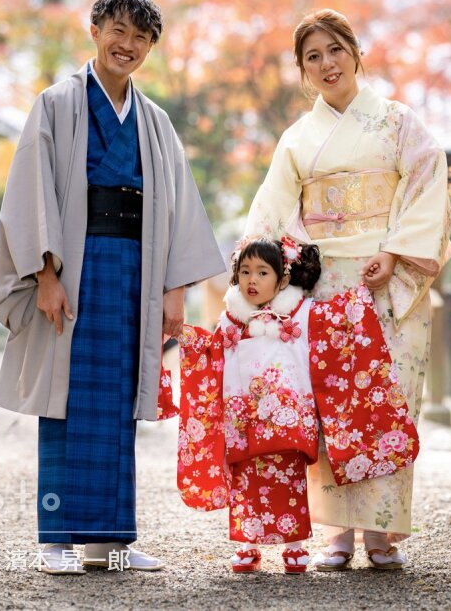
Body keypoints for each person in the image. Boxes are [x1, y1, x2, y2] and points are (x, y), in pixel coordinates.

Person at [0, 0, 226, 575]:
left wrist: (175, 289)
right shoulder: (57, 103)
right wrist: (45, 275)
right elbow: (32, 192)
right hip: (74, 261)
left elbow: (177, 209)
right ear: (95, 29)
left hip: (135, 271)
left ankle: (110, 542)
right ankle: (56, 541)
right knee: (66, 398)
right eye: (118, 30)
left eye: (141, 37)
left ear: (149, 47)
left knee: (117, 399)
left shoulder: (155, 121)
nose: (128, 45)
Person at [244, 9, 451, 570]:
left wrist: (394, 249)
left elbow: (430, 179)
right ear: (302, 71)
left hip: (389, 277)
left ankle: (380, 531)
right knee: (330, 400)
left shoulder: (398, 122)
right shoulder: (296, 138)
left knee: (390, 397)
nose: (326, 63)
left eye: (335, 49)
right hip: (326, 282)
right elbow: (270, 211)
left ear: (356, 53)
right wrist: (260, 279)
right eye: (313, 57)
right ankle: (337, 529)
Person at [172, 237, 420, 574]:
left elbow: (338, 321)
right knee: (247, 481)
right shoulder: (231, 319)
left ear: (283, 279)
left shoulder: (301, 314)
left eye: (262, 272)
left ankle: (294, 545)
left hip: (288, 418)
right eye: (245, 272)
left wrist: (359, 296)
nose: (252, 280)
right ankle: (248, 544)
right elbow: (212, 354)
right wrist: (187, 338)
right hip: (244, 418)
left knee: (290, 481)